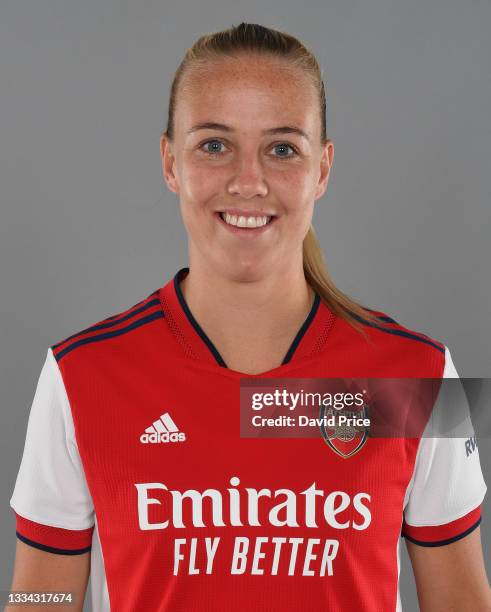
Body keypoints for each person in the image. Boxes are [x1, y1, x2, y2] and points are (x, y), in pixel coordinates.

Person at [7, 22, 491, 612]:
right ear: (169, 162)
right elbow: (42, 601)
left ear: (323, 169)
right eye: (214, 145)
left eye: (282, 149)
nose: (248, 181)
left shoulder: (416, 376)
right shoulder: (82, 376)